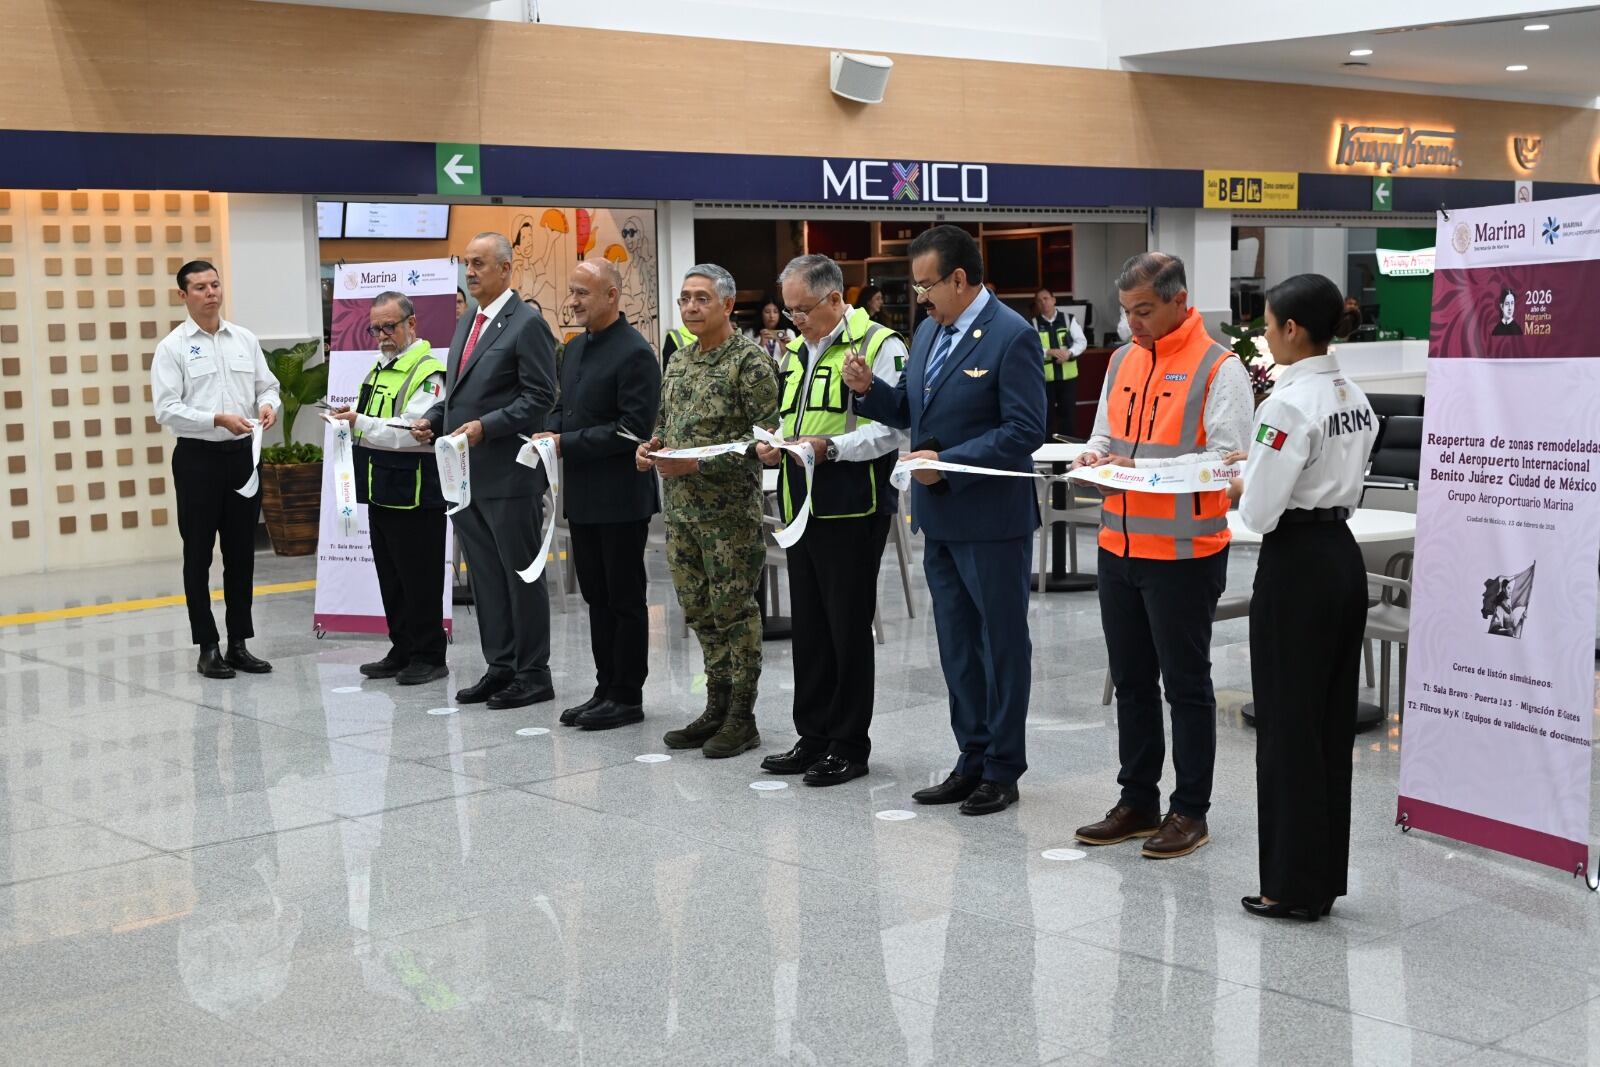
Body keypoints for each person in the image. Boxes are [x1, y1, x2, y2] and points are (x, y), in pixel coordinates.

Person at [842, 224, 1045, 815]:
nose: (920, 297)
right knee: (957, 646)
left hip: (993, 520)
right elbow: (910, 407)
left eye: (927, 284)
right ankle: (971, 757)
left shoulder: (1013, 336)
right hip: (940, 517)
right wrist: (869, 390)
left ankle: (1003, 767)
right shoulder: (930, 331)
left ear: (960, 278)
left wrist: (948, 464)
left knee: (1000, 644)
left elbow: (1023, 431)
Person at [1071, 253, 1252, 858]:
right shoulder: (1123, 359)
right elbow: (1104, 434)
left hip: (1183, 552)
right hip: (1118, 544)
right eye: (1127, 313)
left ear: (1179, 300)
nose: (1134, 324)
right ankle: (1138, 801)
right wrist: (1093, 459)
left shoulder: (1218, 367)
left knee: (1186, 685)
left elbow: (1228, 462)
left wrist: (1140, 469)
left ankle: (1190, 811)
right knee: (1131, 682)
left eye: (1144, 311)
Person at [1228, 274, 1373, 921]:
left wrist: (1243, 478)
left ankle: (1288, 884)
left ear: (1291, 329)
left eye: (1266, 323)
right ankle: (1322, 878)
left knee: (1287, 726)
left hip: (1297, 566)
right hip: (1343, 556)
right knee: (1328, 725)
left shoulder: (1286, 404)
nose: (1263, 334)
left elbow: (1259, 510)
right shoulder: (1351, 395)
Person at [755, 255, 907, 786]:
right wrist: (773, 442)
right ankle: (812, 734)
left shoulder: (879, 345)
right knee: (811, 627)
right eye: (790, 310)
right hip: (801, 503)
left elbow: (889, 430)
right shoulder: (798, 350)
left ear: (835, 299)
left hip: (851, 504)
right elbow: (791, 416)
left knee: (846, 627)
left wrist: (829, 449)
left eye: (802, 309)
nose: (794, 320)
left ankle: (848, 744)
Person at [636, 265, 780, 759]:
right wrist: (652, 446)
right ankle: (715, 705)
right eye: (684, 299)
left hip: (727, 517)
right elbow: (664, 422)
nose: (691, 308)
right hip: (681, 514)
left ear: (726, 305)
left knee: (734, 613)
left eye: (701, 299)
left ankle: (743, 715)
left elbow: (767, 442)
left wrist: (699, 462)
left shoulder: (749, 362)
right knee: (699, 611)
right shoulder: (678, 361)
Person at [415, 232, 558, 710]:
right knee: (484, 577)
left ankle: (534, 672)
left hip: (509, 473)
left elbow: (541, 396)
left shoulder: (526, 324)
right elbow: (458, 393)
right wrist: (435, 419)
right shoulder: (466, 323)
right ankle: (501, 666)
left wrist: (487, 427)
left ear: (505, 269)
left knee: (520, 574)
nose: (470, 272)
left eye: (479, 264)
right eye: (466, 264)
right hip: (466, 475)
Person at [535, 259, 662, 731]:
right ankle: (605, 685)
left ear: (612, 295)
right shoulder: (574, 349)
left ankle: (628, 694)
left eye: (583, 293)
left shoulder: (635, 353)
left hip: (622, 498)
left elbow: (632, 430)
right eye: (572, 291)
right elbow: (562, 406)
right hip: (584, 496)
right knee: (595, 594)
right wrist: (549, 432)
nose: (573, 301)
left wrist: (565, 442)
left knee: (624, 596)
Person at [151, 260, 281, 680]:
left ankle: (238, 643)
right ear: (183, 295)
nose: (211, 293)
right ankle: (207, 646)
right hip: (198, 460)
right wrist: (216, 419)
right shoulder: (172, 347)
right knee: (199, 554)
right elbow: (166, 409)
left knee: (241, 552)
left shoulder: (243, 339)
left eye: (215, 284)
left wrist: (268, 406)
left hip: (243, 457)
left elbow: (268, 385)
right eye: (201, 287)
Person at [328, 292, 450, 685]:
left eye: (389, 326)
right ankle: (402, 648)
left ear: (411, 324)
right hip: (380, 488)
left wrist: (358, 422)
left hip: (416, 494)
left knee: (420, 578)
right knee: (392, 577)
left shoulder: (428, 371)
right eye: (375, 328)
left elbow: (413, 432)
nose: (381, 335)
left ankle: (430, 655)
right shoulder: (379, 369)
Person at [1030, 287, 1087, 439]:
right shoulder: (1033, 324)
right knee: (1045, 416)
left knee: (1068, 415)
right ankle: (1047, 451)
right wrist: (1048, 351)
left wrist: (1069, 353)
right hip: (1045, 379)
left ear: (1054, 300)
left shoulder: (1068, 319)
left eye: (1046, 298)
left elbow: (1081, 342)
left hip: (1068, 378)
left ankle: (1068, 453)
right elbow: (1030, 347)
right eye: (1039, 300)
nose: (1043, 303)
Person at [751, 296, 796, 361]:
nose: (771, 316)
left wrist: (785, 350)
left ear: (780, 314)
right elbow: (748, 361)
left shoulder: (789, 333)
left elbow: (795, 362)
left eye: (775, 312)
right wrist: (761, 345)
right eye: (767, 312)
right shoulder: (751, 333)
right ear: (761, 313)